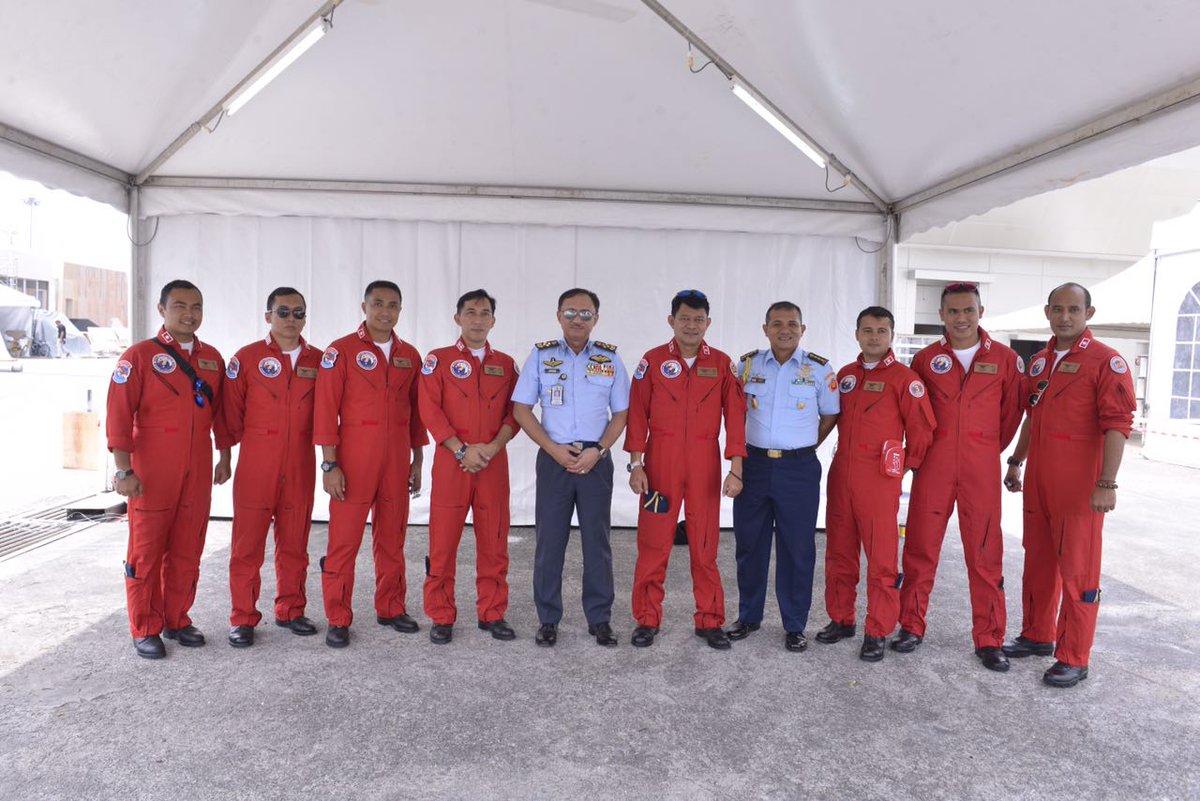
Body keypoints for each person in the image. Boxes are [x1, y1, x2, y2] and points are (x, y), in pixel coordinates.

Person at [1002, 283, 1136, 688]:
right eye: (1057, 309)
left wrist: (1107, 483)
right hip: (1039, 482)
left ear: (1088, 314)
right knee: (1038, 561)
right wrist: (1016, 462)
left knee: (1079, 569)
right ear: (1047, 312)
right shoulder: (1040, 362)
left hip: (1079, 486)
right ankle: (1037, 634)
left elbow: (1117, 425)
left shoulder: (1106, 361)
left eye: (1073, 310)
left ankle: (1074, 656)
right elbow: (1032, 416)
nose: (1065, 317)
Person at [894, 282, 1024, 672]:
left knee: (985, 554)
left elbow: (1011, 415)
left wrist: (983, 448)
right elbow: (914, 413)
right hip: (933, 467)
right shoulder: (925, 359)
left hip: (980, 469)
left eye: (968, 310)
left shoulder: (1005, 359)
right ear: (941, 316)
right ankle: (910, 627)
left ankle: (989, 639)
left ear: (981, 312)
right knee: (920, 548)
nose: (961, 318)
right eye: (953, 311)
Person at [107, 279, 232, 659]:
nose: (189, 314)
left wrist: (224, 456)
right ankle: (145, 626)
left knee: (187, 546)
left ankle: (177, 618)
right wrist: (124, 470)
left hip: (197, 466)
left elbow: (221, 414)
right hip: (152, 468)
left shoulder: (212, 358)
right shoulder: (140, 356)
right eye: (179, 306)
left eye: (196, 307)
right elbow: (118, 415)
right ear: (162, 310)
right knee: (146, 550)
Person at [625, 289, 746, 650]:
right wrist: (636, 464)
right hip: (660, 467)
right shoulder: (653, 361)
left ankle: (709, 619)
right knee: (653, 544)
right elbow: (637, 414)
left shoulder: (722, 364)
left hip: (703, 466)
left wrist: (736, 469)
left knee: (705, 545)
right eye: (684, 319)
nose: (691, 326)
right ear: (671, 321)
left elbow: (735, 419)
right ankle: (647, 619)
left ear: (708, 323)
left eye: (698, 319)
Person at [512, 288, 630, 648]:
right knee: (550, 543)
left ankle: (600, 619)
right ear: (558, 315)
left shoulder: (610, 358)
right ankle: (548, 619)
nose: (577, 319)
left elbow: (621, 413)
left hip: (596, 461)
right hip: (554, 461)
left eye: (585, 313)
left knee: (598, 543)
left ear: (596, 318)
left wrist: (600, 450)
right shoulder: (541, 355)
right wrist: (553, 450)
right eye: (570, 312)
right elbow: (521, 409)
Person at [818, 306, 935, 662]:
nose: (873, 337)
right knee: (839, 552)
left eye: (881, 331)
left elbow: (922, 431)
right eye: (867, 330)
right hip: (841, 475)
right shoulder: (845, 376)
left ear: (891, 336)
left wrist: (902, 469)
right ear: (856, 334)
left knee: (881, 559)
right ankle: (841, 618)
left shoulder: (905, 379)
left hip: (879, 481)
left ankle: (878, 629)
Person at [314, 281, 427, 648]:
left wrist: (417, 460)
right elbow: (326, 410)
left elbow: (417, 414)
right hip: (353, 459)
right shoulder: (341, 351)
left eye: (393, 305)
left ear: (400, 310)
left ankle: (391, 607)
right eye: (378, 303)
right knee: (344, 541)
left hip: (396, 459)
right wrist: (329, 465)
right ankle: (338, 617)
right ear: (364, 307)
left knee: (392, 538)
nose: (385, 311)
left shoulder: (410, 355)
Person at [726, 301, 839, 652]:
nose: (784, 329)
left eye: (792, 323)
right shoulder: (746, 366)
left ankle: (794, 624)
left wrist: (803, 446)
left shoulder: (819, 369)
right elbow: (733, 413)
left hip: (798, 469)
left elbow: (830, 415)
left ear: (803, 329)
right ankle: (748, 616)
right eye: (777, 323)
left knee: (797, 547)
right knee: (750, 544)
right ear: (765, 329)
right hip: (754, 466)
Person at [222, 287, 322, 648]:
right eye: (283, 312)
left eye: (298, 313)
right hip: (257, 464)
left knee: (295, 543)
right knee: (247, 546)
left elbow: (330, 413)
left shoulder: (320, 361)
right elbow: (229, 413)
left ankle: (291, 609)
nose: (291, 319)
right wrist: (226, 457)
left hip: (300, 464)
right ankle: (242, 617)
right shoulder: (247, 358)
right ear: (268, 316)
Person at [418, 289, 519, 645]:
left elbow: (515, 414)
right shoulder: (438, 360)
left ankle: (492, 612)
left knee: (494, 541)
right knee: (443, 543)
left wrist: (492, 447)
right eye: (471, 312)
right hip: (452, 464)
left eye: (485, 313)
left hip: (493, 463)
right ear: (457, 318)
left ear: (494, 320)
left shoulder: (506, 364)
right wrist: (461, 450)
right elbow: (429, 409)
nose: (478, 319)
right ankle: (441, 614)